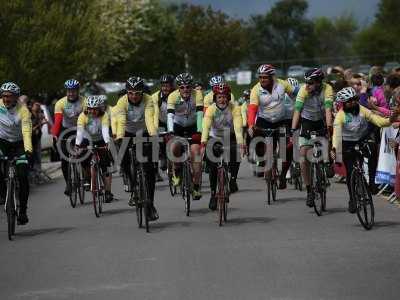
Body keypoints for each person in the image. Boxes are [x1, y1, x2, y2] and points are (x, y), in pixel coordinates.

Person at [331, 87, 398, 213]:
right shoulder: (340, 116)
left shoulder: (362, 110)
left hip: (361, 140)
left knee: (371, 150)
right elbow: (336, 135)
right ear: (343, 104)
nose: (353, 103)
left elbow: (377, 120)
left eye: (354, 100)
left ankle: (372, 182)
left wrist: (389, 120)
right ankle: (352, 199)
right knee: (351, 171)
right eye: (349, 101)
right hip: (346, 144)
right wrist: (335, 149)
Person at [115, 76, 159, 220]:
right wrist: (120, 137)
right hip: (127, 132)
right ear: (127, 92)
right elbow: (121, 121)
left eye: (137, 93)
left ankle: (150, 204)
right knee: (123, 159)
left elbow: (149, 118)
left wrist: (153, 135)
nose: (134, 96)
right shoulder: (122, 102)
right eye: (131, 93)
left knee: (149, 170)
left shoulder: (148, 100)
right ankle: (134, 188)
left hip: (144, 132)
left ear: (142, 93)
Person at [247, 64, 298, 188]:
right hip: (264, 121)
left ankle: (283, 176)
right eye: (260, 77)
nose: (262, 80)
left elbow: (296, 94)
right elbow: (252, 108)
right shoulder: (256, 89)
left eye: (265, 77)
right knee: (256, 140)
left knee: (287, 149)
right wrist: (250, 125)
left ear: (272, 77)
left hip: (281, 121)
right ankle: (263, 161)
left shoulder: (282, 84)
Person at [291, 68, 334, 207]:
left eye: (310, 82)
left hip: (321, 119)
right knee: (303, 156)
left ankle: (327, 162)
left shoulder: (327, 89)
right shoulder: (303, 90)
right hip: (307, 120)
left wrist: (329, 127)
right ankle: (309, 190)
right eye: (306, 82)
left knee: (327, 136)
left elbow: (328, 110)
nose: (307, 85)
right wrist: (293, 129)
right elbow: (297, 111)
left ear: (318, 82)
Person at [201, 83, 245, 209]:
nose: (222, 99)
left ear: (229, 97)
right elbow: (206, 127)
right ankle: (213, 194)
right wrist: (203, 142)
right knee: (214, 166)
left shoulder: (234, 108)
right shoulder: (211, 109)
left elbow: (237, 128)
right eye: (219, 97)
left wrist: (241, 143)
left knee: (235, 152)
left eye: (225, 96)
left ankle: (233, 180)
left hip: (229, 136)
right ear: (215, 98)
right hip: (214, 137)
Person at [167, 72, 203, 200]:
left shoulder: (197, 94)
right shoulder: (172, 96)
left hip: (193, 126)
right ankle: (176, 171)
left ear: (192, 87)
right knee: (175, 147)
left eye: (188, 86)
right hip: (178, 126)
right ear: (178, 88)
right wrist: (171, 131)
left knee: (196, 153)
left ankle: (197, 187)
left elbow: (200, 114)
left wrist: (199, 130)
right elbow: (170, 116)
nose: (185, 89)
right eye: (182, 87)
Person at [0, 82, 32, 224]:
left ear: (16, 97)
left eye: (10, 96)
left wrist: (28, 150)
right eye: (4, 96)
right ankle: (2, 193)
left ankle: (23, 211)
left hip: (19, 143)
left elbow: (26, 131)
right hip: (3, 141)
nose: (6, 99)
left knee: (23, 175)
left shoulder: (23, 111)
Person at [75, 95, 113, 203]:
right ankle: (88, 178)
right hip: (87, 139)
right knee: (82, 158)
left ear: (100, 108)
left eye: (95, 109)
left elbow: (105, 130)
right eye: (90, 109)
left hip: (101, 139)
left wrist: (107, 142)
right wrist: (77, 145)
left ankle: (108, 191)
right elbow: (80, 132)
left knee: (106, 166)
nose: (93, 111)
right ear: (87, 108)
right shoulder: (82, 116)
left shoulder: (104, 115)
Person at [52, 79, 86, 196]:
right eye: (69, 91)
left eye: (73, 91)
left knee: (84, 154)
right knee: (64, 158)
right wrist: (55, 136)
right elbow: (57, 122)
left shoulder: (84, 101)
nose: (71, 93)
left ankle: (85, 177)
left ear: (78, 91)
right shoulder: (60, 103)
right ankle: (68, 183)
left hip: (81, 129)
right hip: (65, 130)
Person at [152, 74, 175, 179]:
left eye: (168, 85)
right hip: (161, 122)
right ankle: (162, 159)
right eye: (163, 85)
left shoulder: (176, 95)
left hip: (175, 121)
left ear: (172, 86)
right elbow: (155, 113)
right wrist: (155, 129)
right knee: (157, 142)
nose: (165, 88)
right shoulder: (155, 97)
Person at [30, 99, 48, 178]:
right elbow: (31, 129)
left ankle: (38, 172)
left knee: (38, 156)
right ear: (32, 106)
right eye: (36, 106)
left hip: (37, 138)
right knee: (32, 156)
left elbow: (41, 126)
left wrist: (42, 123)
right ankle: (34, 173)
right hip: (31, 139)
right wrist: (40, 124)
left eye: (39, 106)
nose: (38, 108)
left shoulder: (39, 114)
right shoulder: (30, 115)